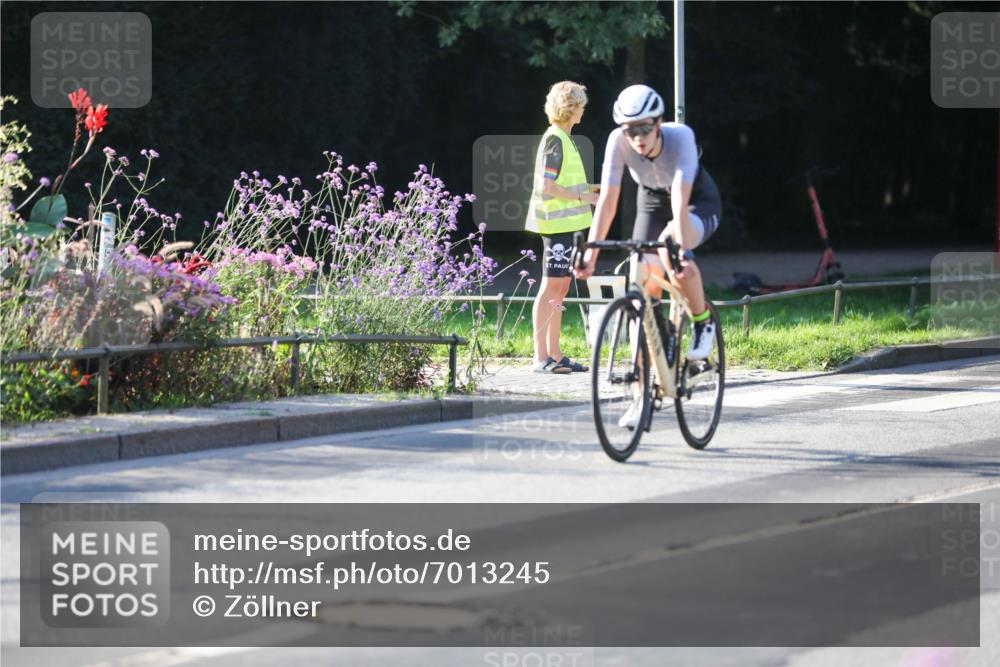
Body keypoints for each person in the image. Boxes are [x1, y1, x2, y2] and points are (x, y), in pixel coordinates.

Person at [574, 84, 722, 426]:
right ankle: (642, 396)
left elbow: (679, 202)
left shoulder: (681, 137)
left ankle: (702, 323)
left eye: (644, 127)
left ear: (659, 122)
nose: (637, 137)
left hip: (695, 200)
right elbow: (608, 201)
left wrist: (681, 248)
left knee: (673, 250)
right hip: (652, 202)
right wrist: (591, 253)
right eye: (630, 130)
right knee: (641, 298)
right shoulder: (618, 142)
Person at [525, 81, 599, 374]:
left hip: (567, 225)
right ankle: (540, 357)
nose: (583, 109)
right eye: (580, 104)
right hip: (556, 226)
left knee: (561, 286)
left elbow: (562, 183)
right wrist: (583, 196)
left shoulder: (564, 138)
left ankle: (555, 355)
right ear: (571, 108)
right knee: (551, 286)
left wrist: (591, 189)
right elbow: (547, 186)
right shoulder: (555, 139)